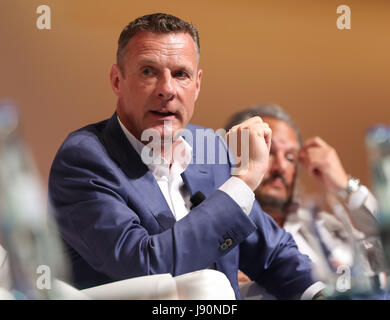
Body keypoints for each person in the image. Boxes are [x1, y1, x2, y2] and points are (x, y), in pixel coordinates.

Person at [48, 13, 323, 299]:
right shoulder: (85, 159)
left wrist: (321, 294)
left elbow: (274, 254)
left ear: (197, 84)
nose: (167, 90)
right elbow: (145, 266)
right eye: (148, 72)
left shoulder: (209, 147)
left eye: (181, 74)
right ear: (117, 81)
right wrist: (242, 182)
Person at [225, 104, 380, 285]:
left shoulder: (326, 229)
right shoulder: (209, 227)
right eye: (268, 152)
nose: (281, 167)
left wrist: (346, 186)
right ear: (233, 156)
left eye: (291, 158)